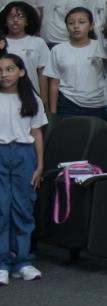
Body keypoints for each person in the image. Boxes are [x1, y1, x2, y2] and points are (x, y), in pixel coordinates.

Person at [0, 53, 47, 287]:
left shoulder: (32, 99)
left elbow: (37, 133)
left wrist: (39, 165)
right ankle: (2, 263)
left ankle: (23, 262)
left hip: (24, 155)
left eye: (10, 69)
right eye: (0, 70)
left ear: (20, 72)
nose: (4, 74)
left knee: (23, 208)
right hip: (0, 152)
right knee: (2, 208)